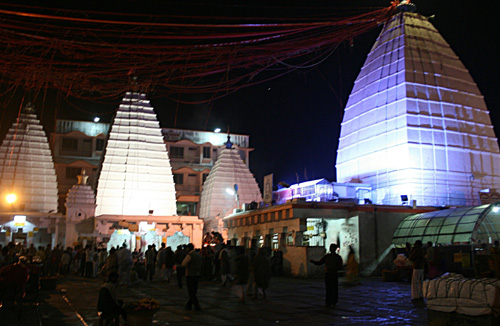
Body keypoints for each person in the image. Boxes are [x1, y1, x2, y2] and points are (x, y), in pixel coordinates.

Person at [310, 243, 343, 308]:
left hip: (332, 274)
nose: (331, 249)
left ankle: (331, 302)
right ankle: (330, 302)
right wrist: (314, 262)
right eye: (331, 247)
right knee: (330, 289)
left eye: (332, 248)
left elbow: (339, 266)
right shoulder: (330, 257)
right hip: (329, 274)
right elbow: (320, 262)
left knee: (331, 289)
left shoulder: (334, 257)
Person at [182, 243, 202, 311]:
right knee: (194, 290)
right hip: (197, 274)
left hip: (190, 274)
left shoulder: (189, 255)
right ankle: (189, 305)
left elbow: (183, 263)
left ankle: (197, 306)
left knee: (191, 291)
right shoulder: (198, 254)